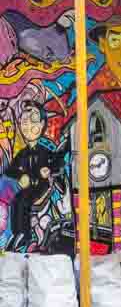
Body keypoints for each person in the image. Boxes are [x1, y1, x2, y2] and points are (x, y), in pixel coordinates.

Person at [4, 101, 65, 249]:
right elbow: (9, 170)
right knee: (16, 200)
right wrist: (20, 176)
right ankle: (17, 232)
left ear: (42, 124)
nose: (28, 126)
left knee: (24, 201)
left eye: (33, 121)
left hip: (41, 186)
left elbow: (58, 161)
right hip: (28, 187)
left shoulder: (45, 151)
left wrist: (49, 169)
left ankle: (25, 234)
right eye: (24, 121)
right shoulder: (22, 153)